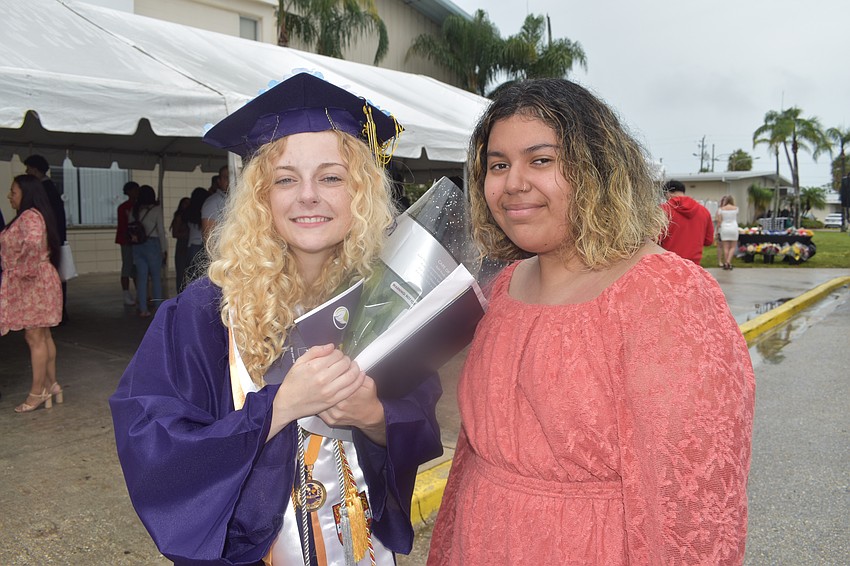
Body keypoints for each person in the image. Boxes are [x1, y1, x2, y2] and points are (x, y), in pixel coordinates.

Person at [110, 72, 442, 565]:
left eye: (331, 177)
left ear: (361, 193)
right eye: (285, 179)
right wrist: (278, 409)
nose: (307, 195)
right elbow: (154, 450)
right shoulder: (205, 313)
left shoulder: (386, 300)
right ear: (260, 198)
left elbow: (420, 420)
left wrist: (374, 418)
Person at [427, 78, 755, 565]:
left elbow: (693, 502)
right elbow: (476, 457)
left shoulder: (663, 293)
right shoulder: (506, 286)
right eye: (499, 165)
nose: (514, 182)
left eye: (541, 160)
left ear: (596, 169)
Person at [1, 175, 64, 412]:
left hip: (33, 284)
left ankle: (37, 392)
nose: (10, 196)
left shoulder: (29, 217)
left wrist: (22, 270)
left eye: (13, 191)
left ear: (26, 193)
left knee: (35, 338)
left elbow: (34, 243)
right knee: (43, 336)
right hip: (39, 280)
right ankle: (52, 384)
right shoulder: (36, 215)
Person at [24, 154, 68, 321]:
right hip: (53, 240)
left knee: (53, 277)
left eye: (28, 169)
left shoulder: (46, 189)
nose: (27, 171)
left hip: (51, 240)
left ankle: (56, 311)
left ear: (35, 170)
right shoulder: (50, 188)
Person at [128, 185, 166, 317]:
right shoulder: (156, 210)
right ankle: (158, 308)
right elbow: (161, 230)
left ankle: (143, 309)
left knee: (142, 278)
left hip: (137, 245)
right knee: (156, 278)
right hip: (153, 244)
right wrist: (164, 249)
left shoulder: (134, 209)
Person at [659, 179, 714, 264]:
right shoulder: (704, 211)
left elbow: (654, 240)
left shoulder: (662, 210)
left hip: (668, 263)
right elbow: (708, 241)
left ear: (667, 193)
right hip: (693, 265)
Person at [116, 181, 140, 305]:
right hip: (127, 241)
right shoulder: (123, 207)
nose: (137, 192)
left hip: (137, 242)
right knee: (127, 266)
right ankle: (126, 293)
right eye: (135, 190)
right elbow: (123, 226)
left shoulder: (139, 206)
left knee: (136, 268)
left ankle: (138, 293)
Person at [182, 187, 209, 288]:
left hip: (191, 245)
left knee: (191, 276)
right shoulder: (206, 209)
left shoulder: (189, 211)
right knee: (202, 276)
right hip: (201, 245)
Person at [201, 165, 230, 240]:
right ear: (219, 181)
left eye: (232, 177)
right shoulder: (213, 202)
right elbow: (208, 234)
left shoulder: (237, 199)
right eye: (226, 178)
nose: (230, 180)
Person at [170, 196, 191, 292]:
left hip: (188, 244)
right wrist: (187, 234)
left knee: (190, 272)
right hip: (182, 245)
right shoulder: (179, 217)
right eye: (185, 203)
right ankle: (180, 294)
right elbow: (175, 233)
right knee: (181, 273)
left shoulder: (191, 217)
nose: (187, 205)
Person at [717, 194, 740, 270]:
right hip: (733, 227)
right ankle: (728, 262)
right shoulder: (736, 209)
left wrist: (717, 230)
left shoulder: (721, 209)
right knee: (732, 247)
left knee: (725, 247)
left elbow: (719, 221)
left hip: (724, 228)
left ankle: (725, 263)